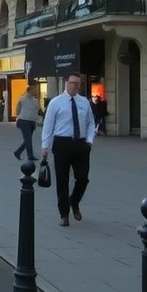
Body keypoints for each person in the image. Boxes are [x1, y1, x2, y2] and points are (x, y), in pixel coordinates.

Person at [41, 72, 96, 226]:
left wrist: (89, 141)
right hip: (61, 143)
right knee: (62, 180)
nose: (74, 86)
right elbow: (48, 126)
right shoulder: (56, 103)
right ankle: (64, 214)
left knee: (83, 177)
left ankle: (74, 200)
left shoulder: (84, 102)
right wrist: (45, 146)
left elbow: (91, 123)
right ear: (66, 83)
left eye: (77, 83)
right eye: (72, 83)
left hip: (80, 144)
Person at [13, 88, 39, 162]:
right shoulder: (22, 99)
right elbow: (17, 108)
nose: (35, 91)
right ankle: (30, 155)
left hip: (32, 121)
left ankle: (18, 152)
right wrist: (18, 116)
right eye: (33, 90)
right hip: (24, 121)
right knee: (28, 139)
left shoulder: (35, 100)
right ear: (29, 91)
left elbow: (37, 110)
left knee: (28, 139)